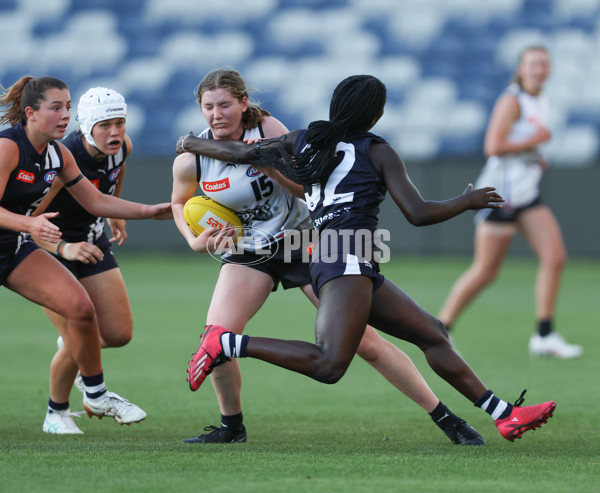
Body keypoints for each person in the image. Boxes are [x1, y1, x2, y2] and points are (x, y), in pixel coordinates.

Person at [181, 74, 556, 443]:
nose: (215, 112)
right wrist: (466, 201)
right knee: (329, 364)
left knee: (433, 334)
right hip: (340, 255)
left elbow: (242, 152)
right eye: (209, 106)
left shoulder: (304, 139)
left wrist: (189, 142)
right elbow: (418, 213)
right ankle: (227, 344)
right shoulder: (378, 150)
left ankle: (504, 414)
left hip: (335, 254)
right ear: (375, 115)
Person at [0, 76, 171, 434]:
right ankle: (59, 407)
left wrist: (148, 211)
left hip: (12, 247)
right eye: (56, 108)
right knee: (84, 319)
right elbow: (27, 219)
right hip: (32, 238)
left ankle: (95, 394)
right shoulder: (9, 147)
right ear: (30, 113)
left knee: (82, 311)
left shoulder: (58, 153)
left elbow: (95, 200)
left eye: (67, 106)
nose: (65, 115)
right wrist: (39, 232)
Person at [437, 46, 582, 359]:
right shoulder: (511, 100)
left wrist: (535, 157)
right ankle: (440, 330)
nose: (539, 69)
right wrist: (536, 141)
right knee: (485, 271)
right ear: (521, 68)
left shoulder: (539, 100)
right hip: (501, 196)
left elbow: (521, 145)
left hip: (526, 194)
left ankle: (544, 334)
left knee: (555, 257)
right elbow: (494, 145)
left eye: (544, 64)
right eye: (533, 64)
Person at [31, 87, 145, 434]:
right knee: (83, 332)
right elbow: (30, 222)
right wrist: (64, 247)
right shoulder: (64, 159)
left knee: (119, 333)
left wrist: (115, 212)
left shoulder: (121, 148)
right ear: (87, 126)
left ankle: (75, 347)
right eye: (105, 125)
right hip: (48, 249)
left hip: (92, 239)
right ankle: (56, 413)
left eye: (120, 123)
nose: (115, 132)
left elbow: (114, 176)